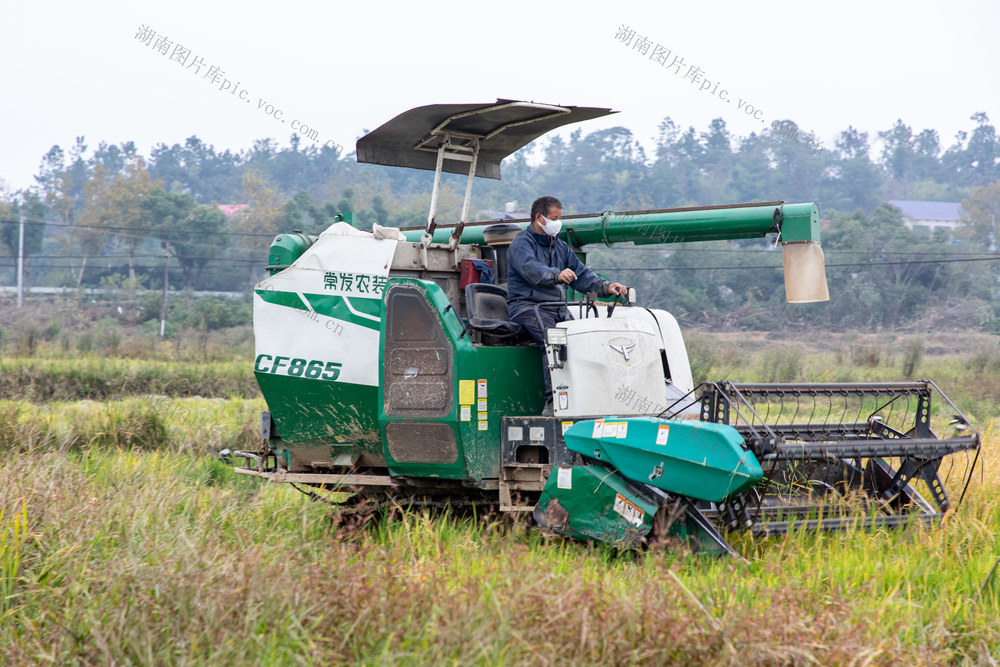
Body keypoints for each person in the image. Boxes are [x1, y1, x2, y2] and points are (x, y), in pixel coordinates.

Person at [507, 196, 627, 415]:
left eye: (560, 218)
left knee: (581, 341)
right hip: (526, 306)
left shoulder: (561, 247)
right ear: (539, 217)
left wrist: (606, 287)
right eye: (554, 218)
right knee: (554, 341)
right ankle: (553, 402)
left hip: (555, 307)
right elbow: (530, 268)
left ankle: (588, 398)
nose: (558, 222)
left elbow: (581, 274)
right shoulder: (521, 244)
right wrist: (556, 274)